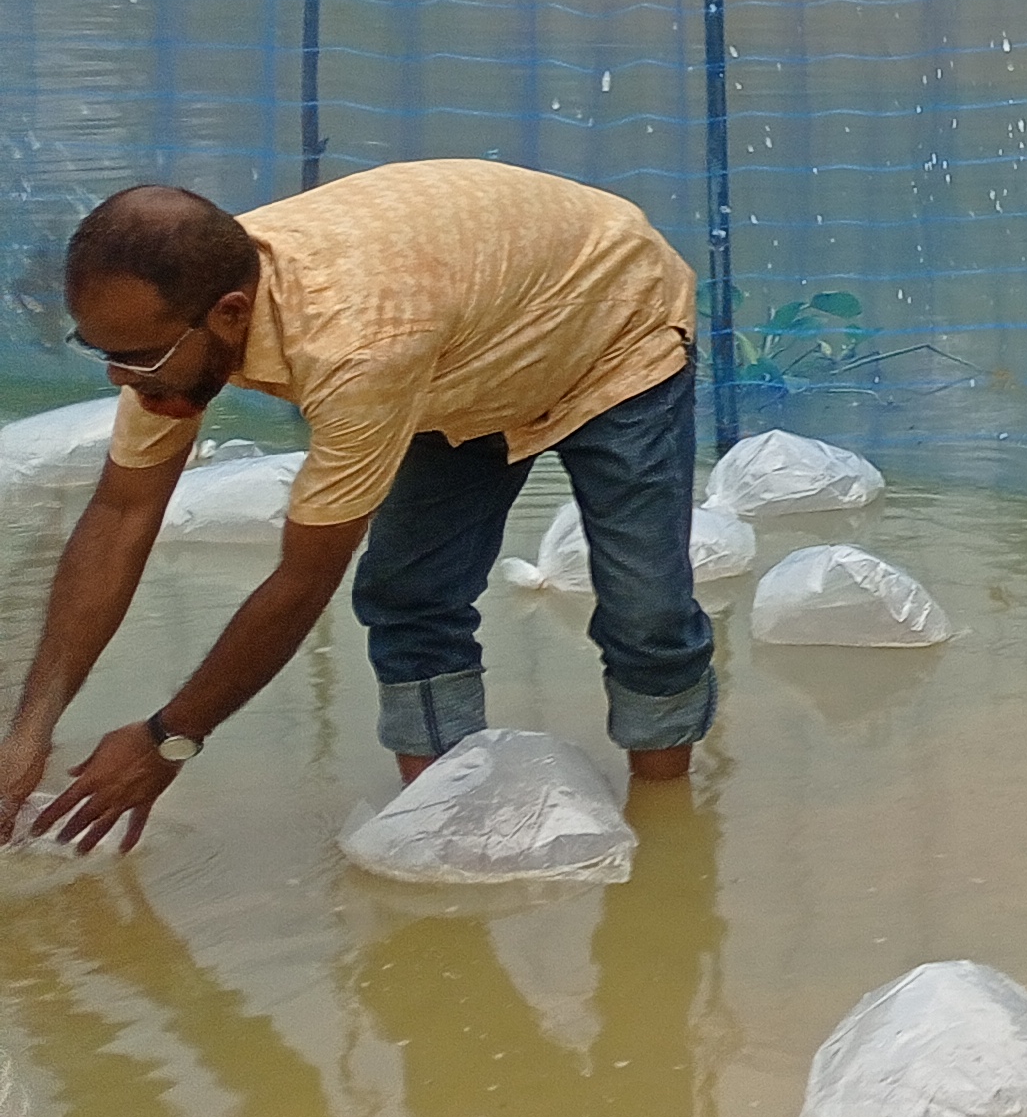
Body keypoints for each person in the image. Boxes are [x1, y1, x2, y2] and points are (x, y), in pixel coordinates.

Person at [1, 163, 715, 854]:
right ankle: (445, 820)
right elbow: (122, 516)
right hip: (462, 356)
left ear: (231, 313)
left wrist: (170, 737)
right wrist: (29, 733)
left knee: (643, 604)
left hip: (612, 327)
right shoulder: (175, 316)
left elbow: (302, 580)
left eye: (141, 359)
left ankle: (665, 823)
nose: (123, 378)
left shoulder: (357, 346)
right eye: (104, 353)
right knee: (409, 593)